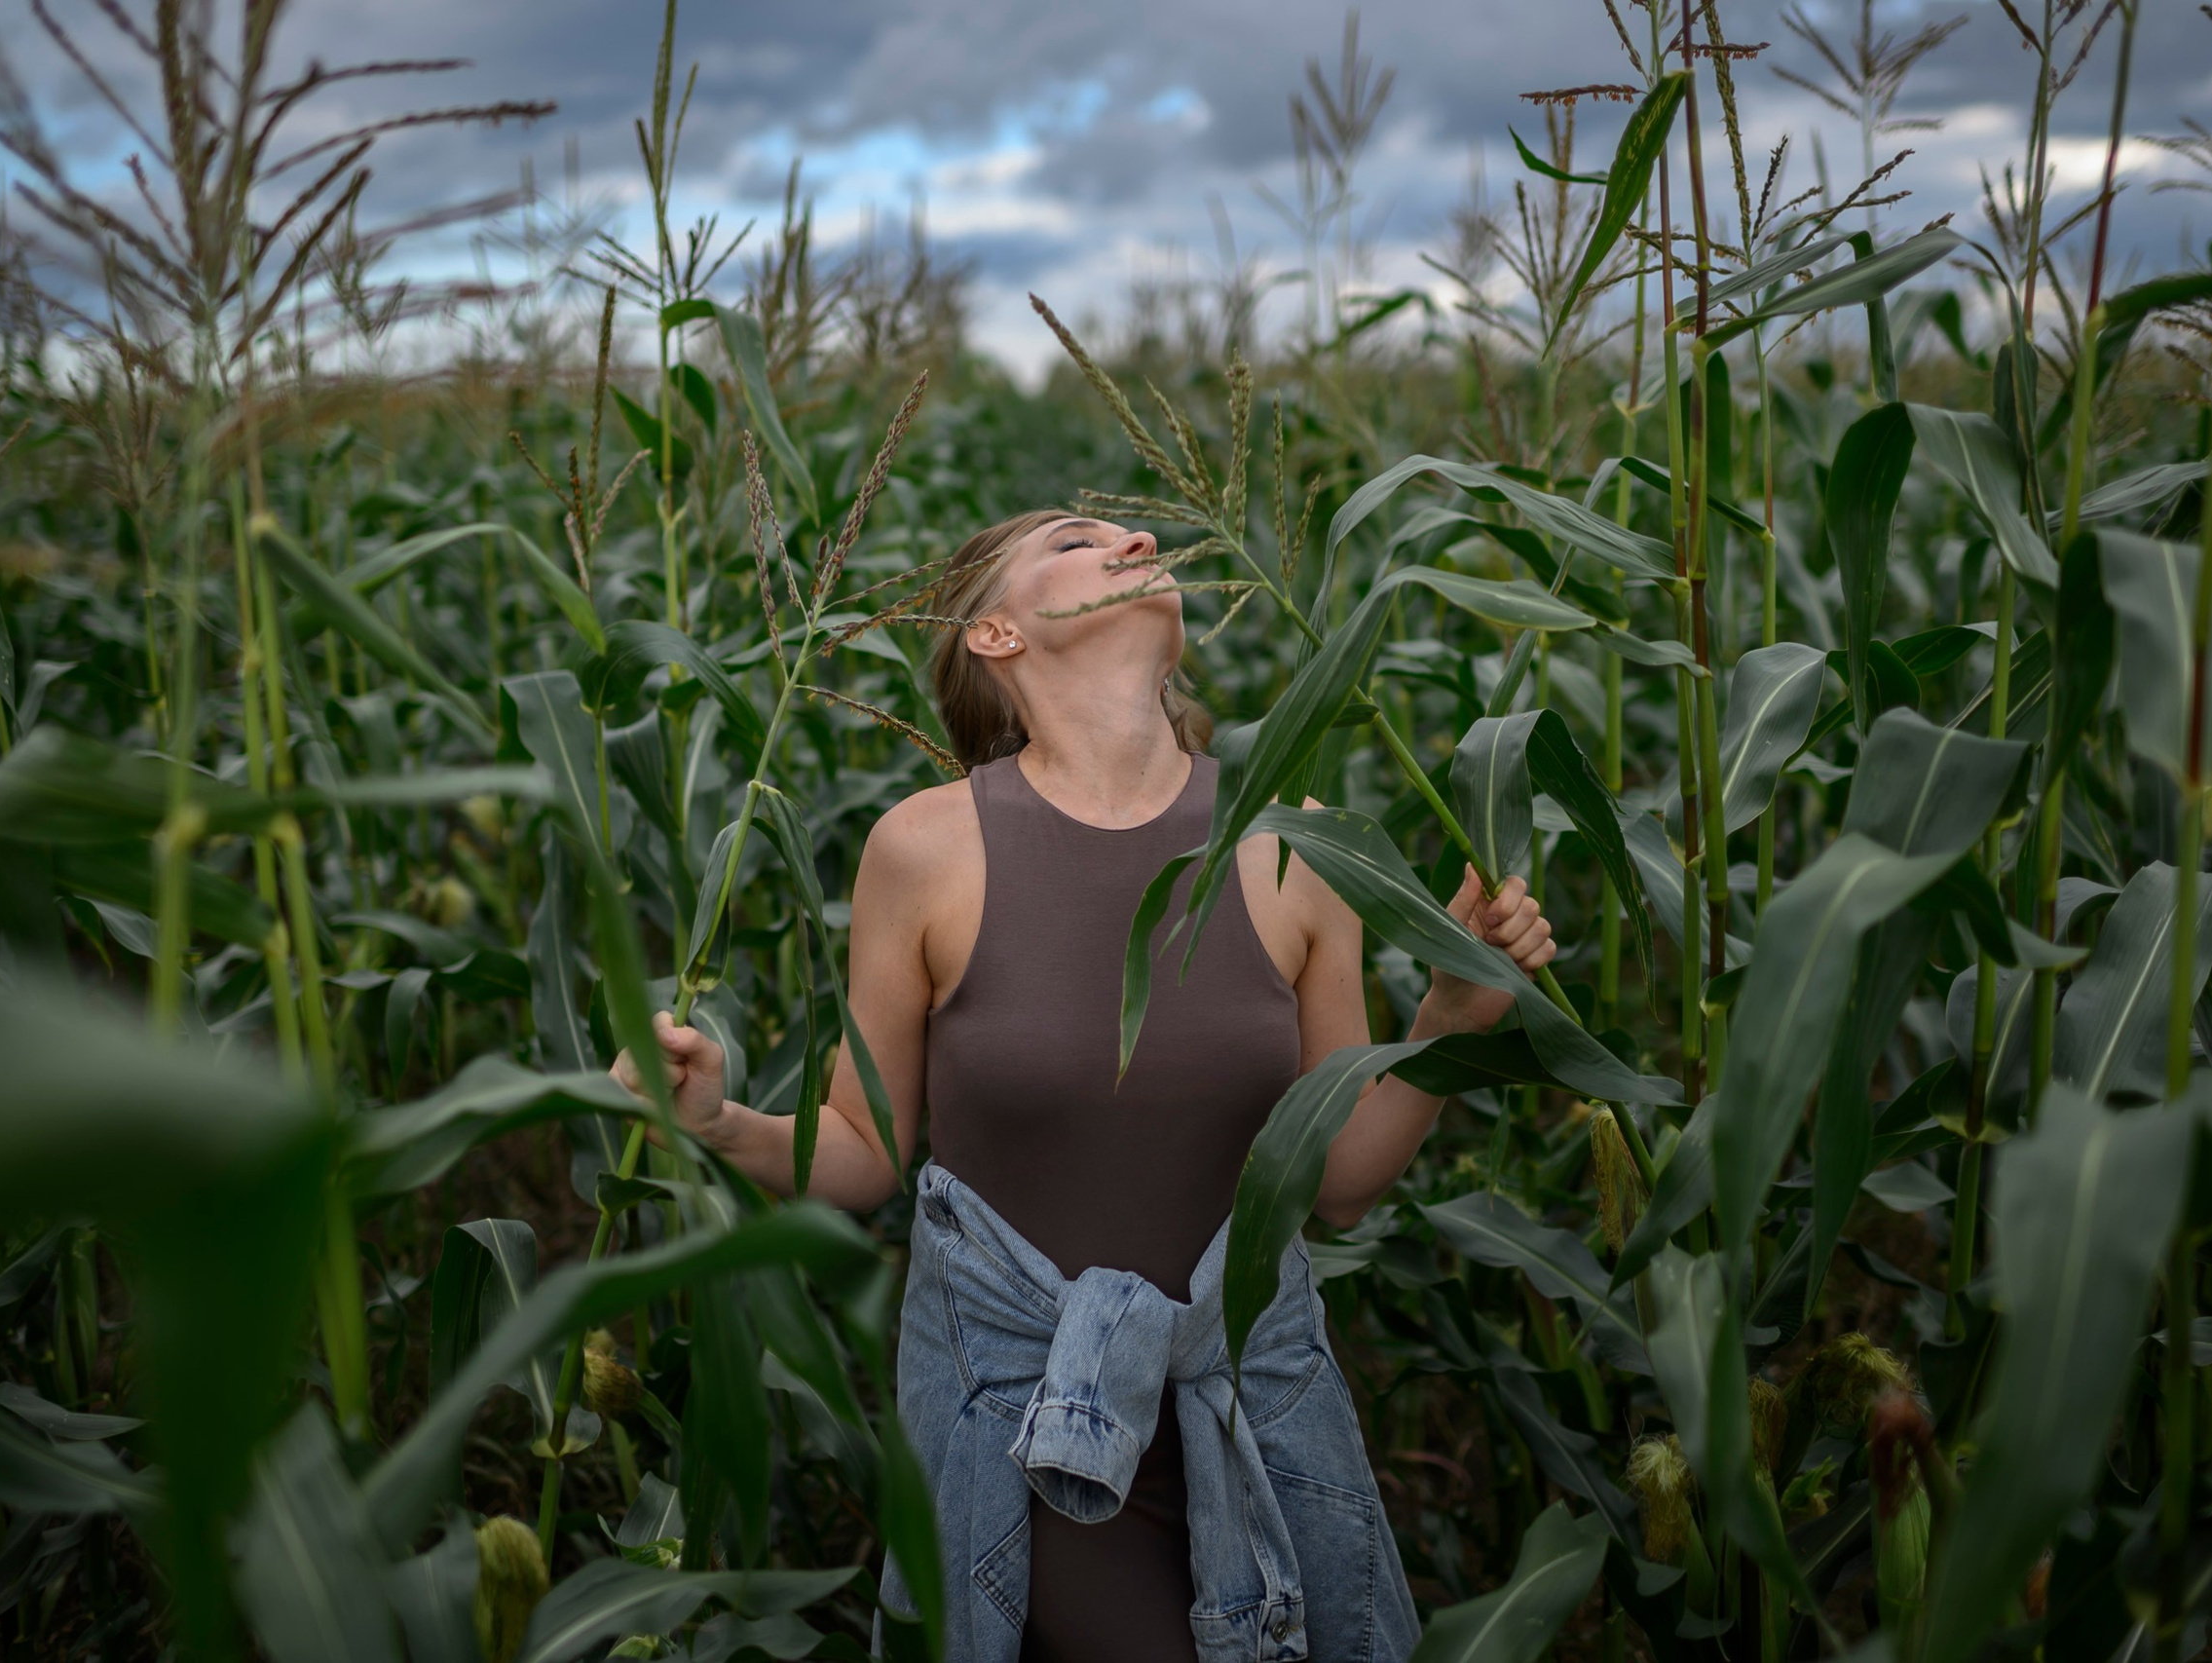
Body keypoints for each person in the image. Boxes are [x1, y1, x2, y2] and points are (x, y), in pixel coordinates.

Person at [611, 510, 1557, 1663]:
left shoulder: (1300, 846)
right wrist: (717, 1121)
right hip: (1021, 1429)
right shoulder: (926, 849)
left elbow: (1342, 1182)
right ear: (996, 634)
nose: (1135, 535)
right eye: (1075, 538)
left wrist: (1448, 1022)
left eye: (1132, 527)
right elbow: (864, 1151)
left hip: (1250, 1410)